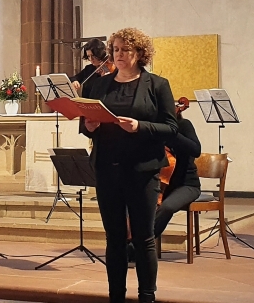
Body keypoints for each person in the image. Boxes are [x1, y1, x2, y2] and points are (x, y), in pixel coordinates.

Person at [80, 27, 178, 303]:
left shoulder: (157, 84)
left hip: (142, 170)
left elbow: (171, 127)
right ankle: (116, 297)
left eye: (126, 49)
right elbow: (87, 125)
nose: (120, 54)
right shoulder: (98, 85)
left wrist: (140, 126)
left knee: (144, 237)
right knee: (114, 237)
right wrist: (89, 125)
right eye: (116, 49)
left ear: (140, 53)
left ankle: (147, 296)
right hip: (107, 168)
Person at [152, 100, 202, 247]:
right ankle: (127, 241)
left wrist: (172, 134)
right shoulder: (155, 129)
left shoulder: (184, 125)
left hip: (187, 185)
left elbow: (196, 150)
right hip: (161, 184)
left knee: (166, 207)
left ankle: (139, 246)